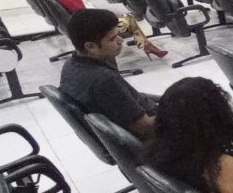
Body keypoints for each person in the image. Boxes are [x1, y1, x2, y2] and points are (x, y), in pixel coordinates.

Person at [58, 9, 158, 139]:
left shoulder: (71, 66)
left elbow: (130, 97)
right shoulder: (103, 80)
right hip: (155, 139)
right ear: (90, 47)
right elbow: (145, 127)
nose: (121, 40)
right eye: (112, 38)